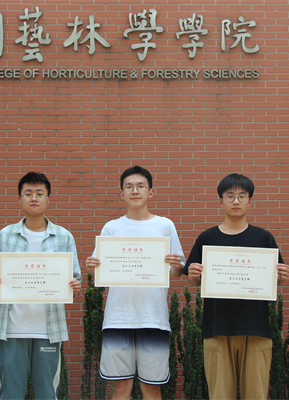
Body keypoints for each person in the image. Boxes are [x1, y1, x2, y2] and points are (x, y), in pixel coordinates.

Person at [184, 173, 289, 400]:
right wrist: (194, 275)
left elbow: (276, 279)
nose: (236, 201)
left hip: (256, 327)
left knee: (256, 394)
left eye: (242, 196)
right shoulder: (207, 238)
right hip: (217, 326)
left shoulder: (264, 238)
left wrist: (282, 276)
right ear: (220, 201)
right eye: (230, 196)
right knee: (220, 395)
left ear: (250, 201)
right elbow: (195, 280)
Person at [85, 166, 185, 400]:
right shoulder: (111, 228)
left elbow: (178, 271)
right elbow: (100, 274)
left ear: (151, 192)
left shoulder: (165, 225)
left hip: (153, 317)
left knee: (152, 388)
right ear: (122, 194)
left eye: (141, 186)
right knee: (120, 388)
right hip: (118, 318)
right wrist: (92, 266)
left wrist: (176, 264)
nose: (135, 191)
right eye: (129, 187)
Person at [0, 172, 82, 400]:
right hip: (11, 328)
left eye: (39, 193)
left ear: (48, 198)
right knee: (11, 393)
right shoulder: (5, 235)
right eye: (28, 194)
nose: (34, 198)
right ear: (20, 198)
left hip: (49, 330)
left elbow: (75, 278)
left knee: (47, 393)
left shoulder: (64, 237)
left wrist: (74, 286)